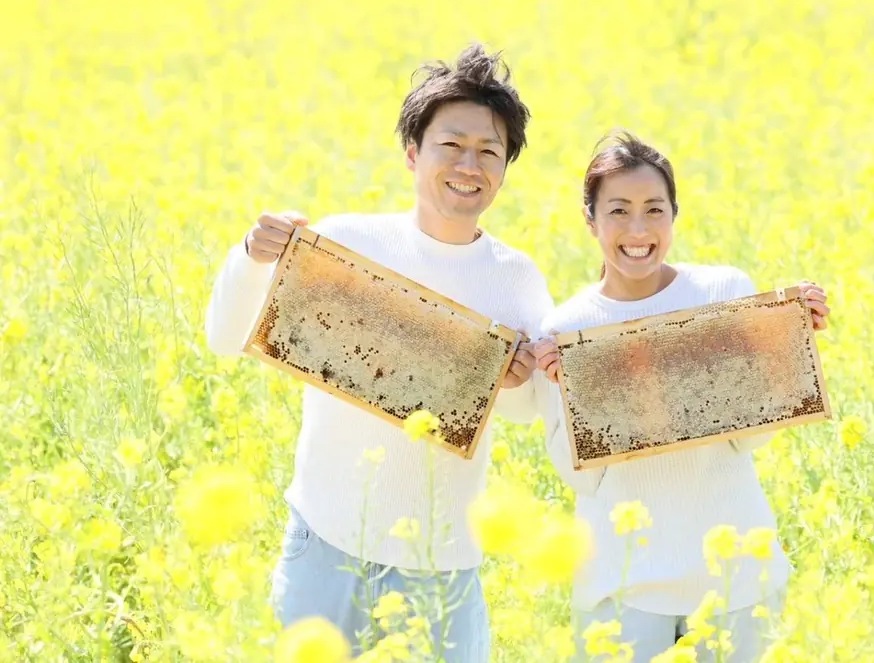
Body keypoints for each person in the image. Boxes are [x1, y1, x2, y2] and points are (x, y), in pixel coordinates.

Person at [203, 44, 553, 662]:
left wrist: (518, 382)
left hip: (439, 562)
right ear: (413, 152)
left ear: (504, 170)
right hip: (326, 541)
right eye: (452, 144)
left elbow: (525, 412)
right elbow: (226, 338)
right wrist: (251, 257)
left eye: (489, 151)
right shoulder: (346, 243)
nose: (469, 164)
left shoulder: (516, 279)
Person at [530, 131, 831, 663]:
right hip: (624, 590)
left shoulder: (721, 292)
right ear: (590, 219)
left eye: (654, 209)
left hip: (737, 577)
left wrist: (785, 342)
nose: (638, 230)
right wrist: (573, 394)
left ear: (674, 214)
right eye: (618, 210)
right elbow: (580, 478)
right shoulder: (567, 329)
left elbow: (748, 440)